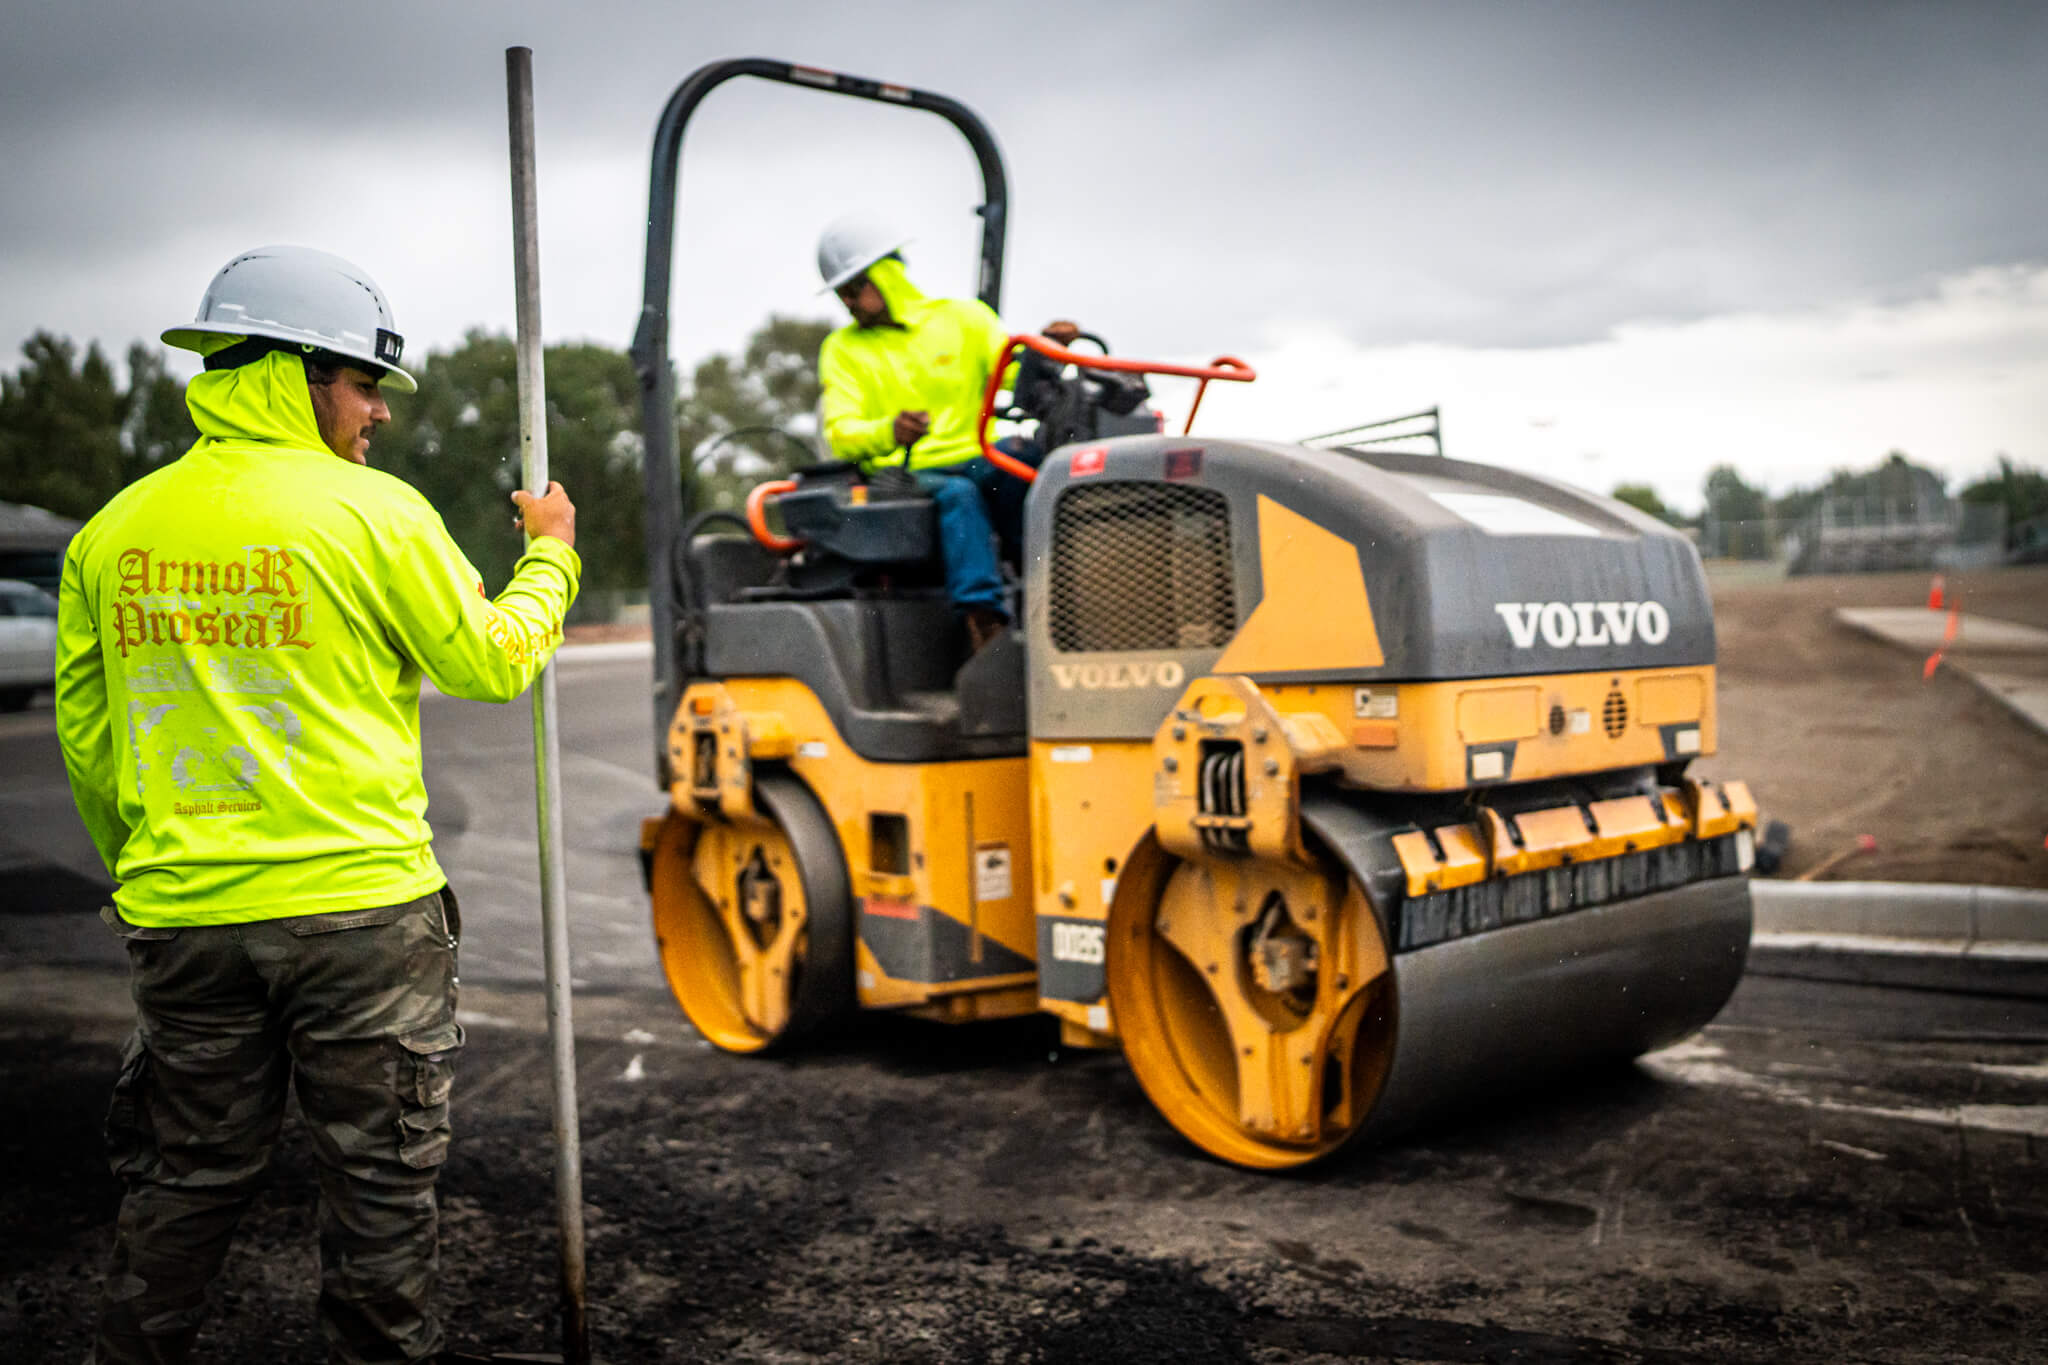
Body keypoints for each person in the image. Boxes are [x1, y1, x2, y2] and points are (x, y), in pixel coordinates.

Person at [54, 244, 581, 1364]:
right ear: (298, 372)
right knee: (381, 1189)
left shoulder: (113, 533)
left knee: (185, 1178)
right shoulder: (376, 516)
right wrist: (552, 559)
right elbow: (493, 663)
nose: (379, 412)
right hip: (362, 920)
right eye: (366, 382)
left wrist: (152, 868)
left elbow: (91, 741)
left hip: (184, 916)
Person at [815, 214, 1080, 652]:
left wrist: (1048, 355)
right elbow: (843, 432)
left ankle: (1053, 588)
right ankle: (984, 623)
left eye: (853, 286)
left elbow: (1015, 379)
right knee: (958, 496)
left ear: (887, 273)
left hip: (978, 454)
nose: (847, 300)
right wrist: (890, 430)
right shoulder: (843, 350)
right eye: (841, 292)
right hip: (903, 472)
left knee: (1028, 464)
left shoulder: (964, 320)